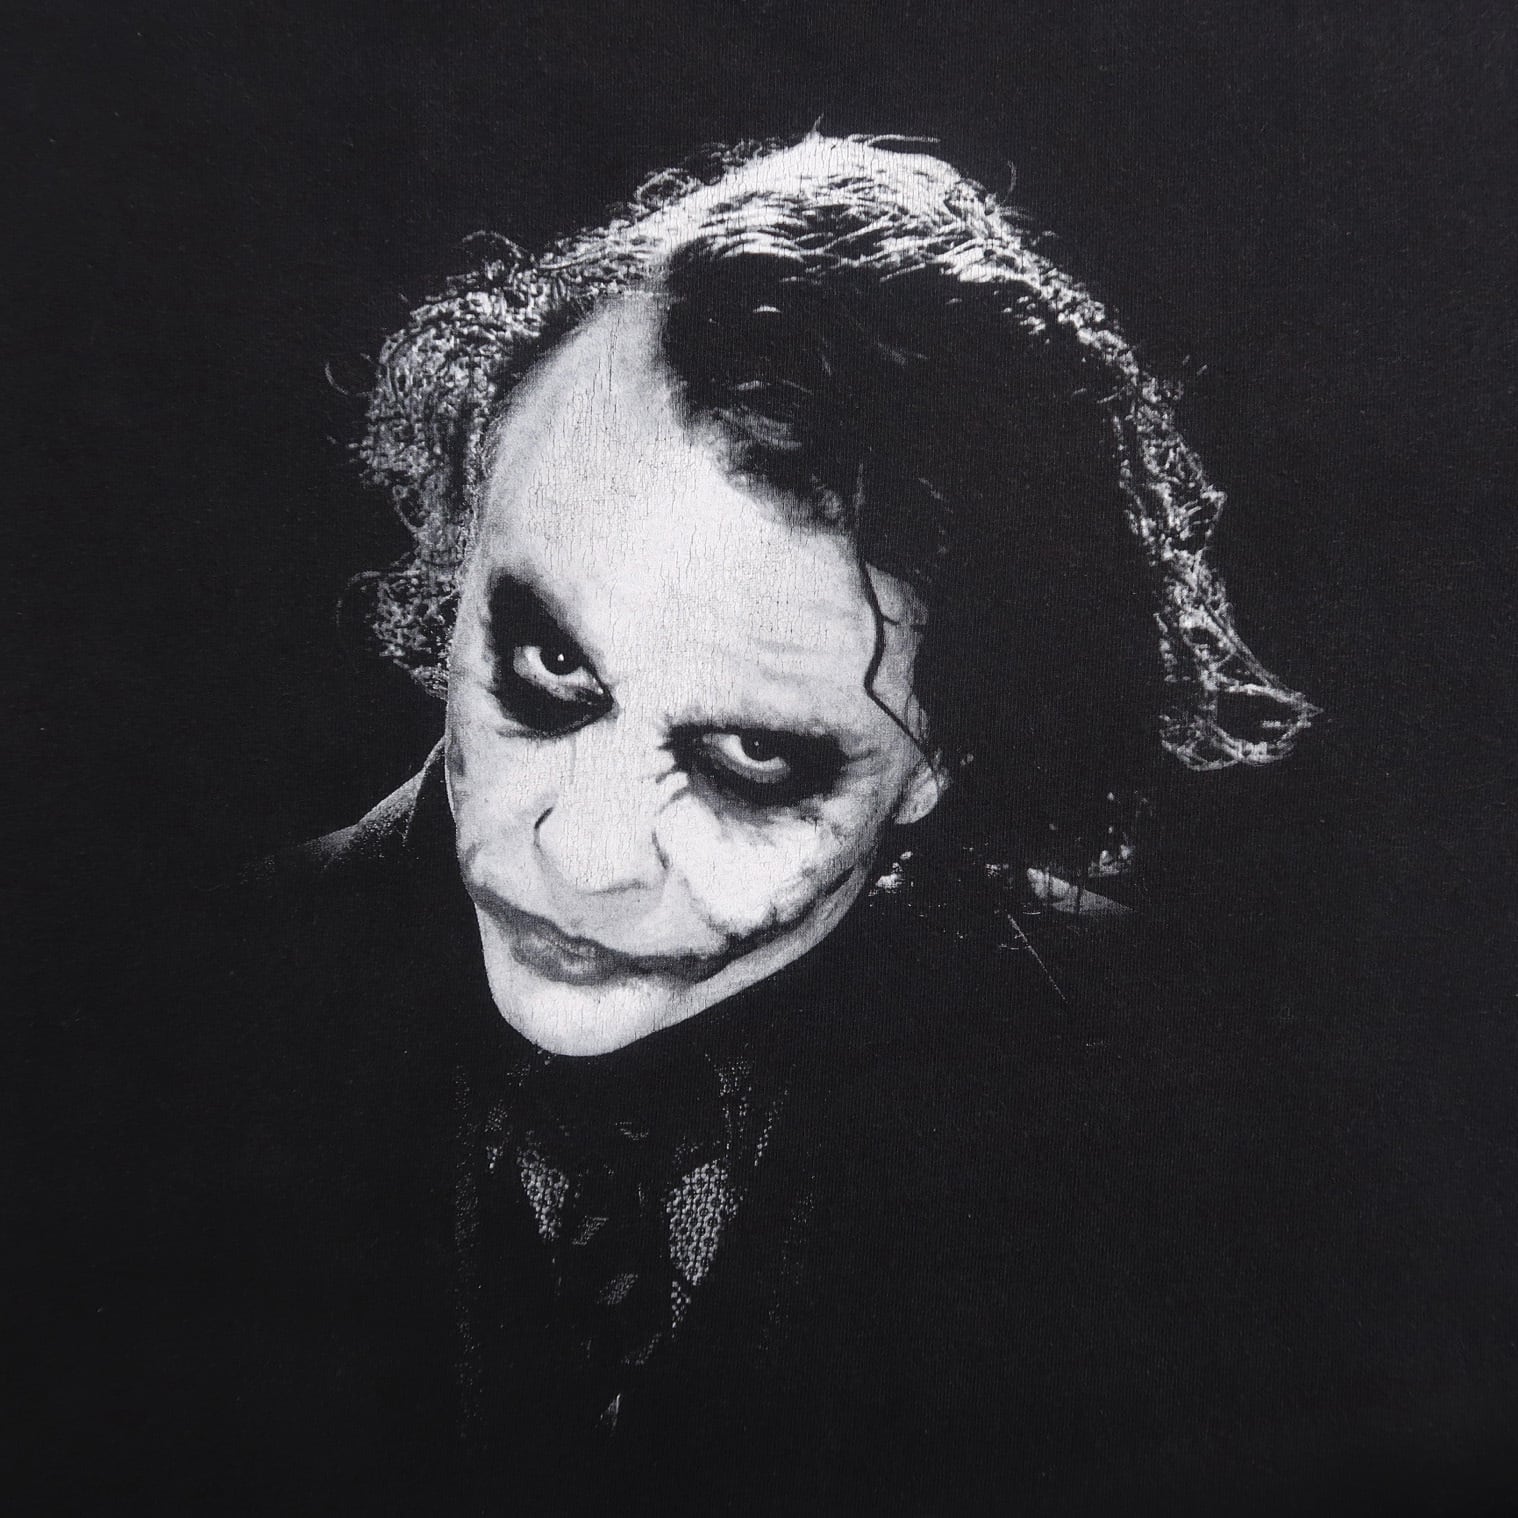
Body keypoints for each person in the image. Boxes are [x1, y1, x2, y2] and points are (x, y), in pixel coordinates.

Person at [169, 134, 1316, 1513]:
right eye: (548, 665)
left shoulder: (1186, 1109)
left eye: (754, 757)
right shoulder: (147, 1022)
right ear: (465, 537)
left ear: (949, 760)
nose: (585, 854)